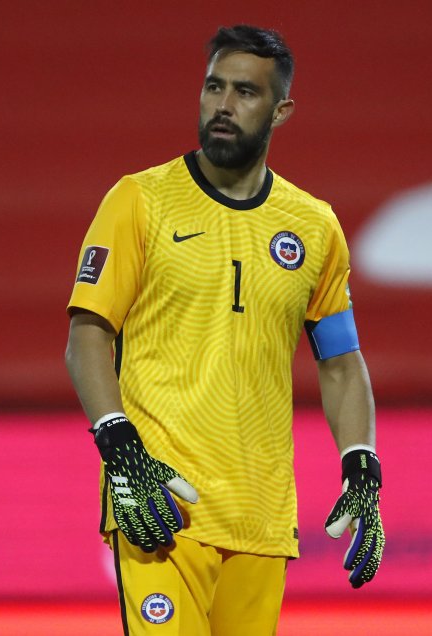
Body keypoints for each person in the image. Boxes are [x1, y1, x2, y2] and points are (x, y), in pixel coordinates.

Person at [64, 24, 383, 636]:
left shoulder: (314, 227)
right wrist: (119, 446)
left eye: (245, 92)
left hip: (262, 517)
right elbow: (87, 336)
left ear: (281, 110)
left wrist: (361, 463)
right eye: (214, 87)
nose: (224, 105)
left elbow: (341, 362)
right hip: (162, 499)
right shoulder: (139, 200)